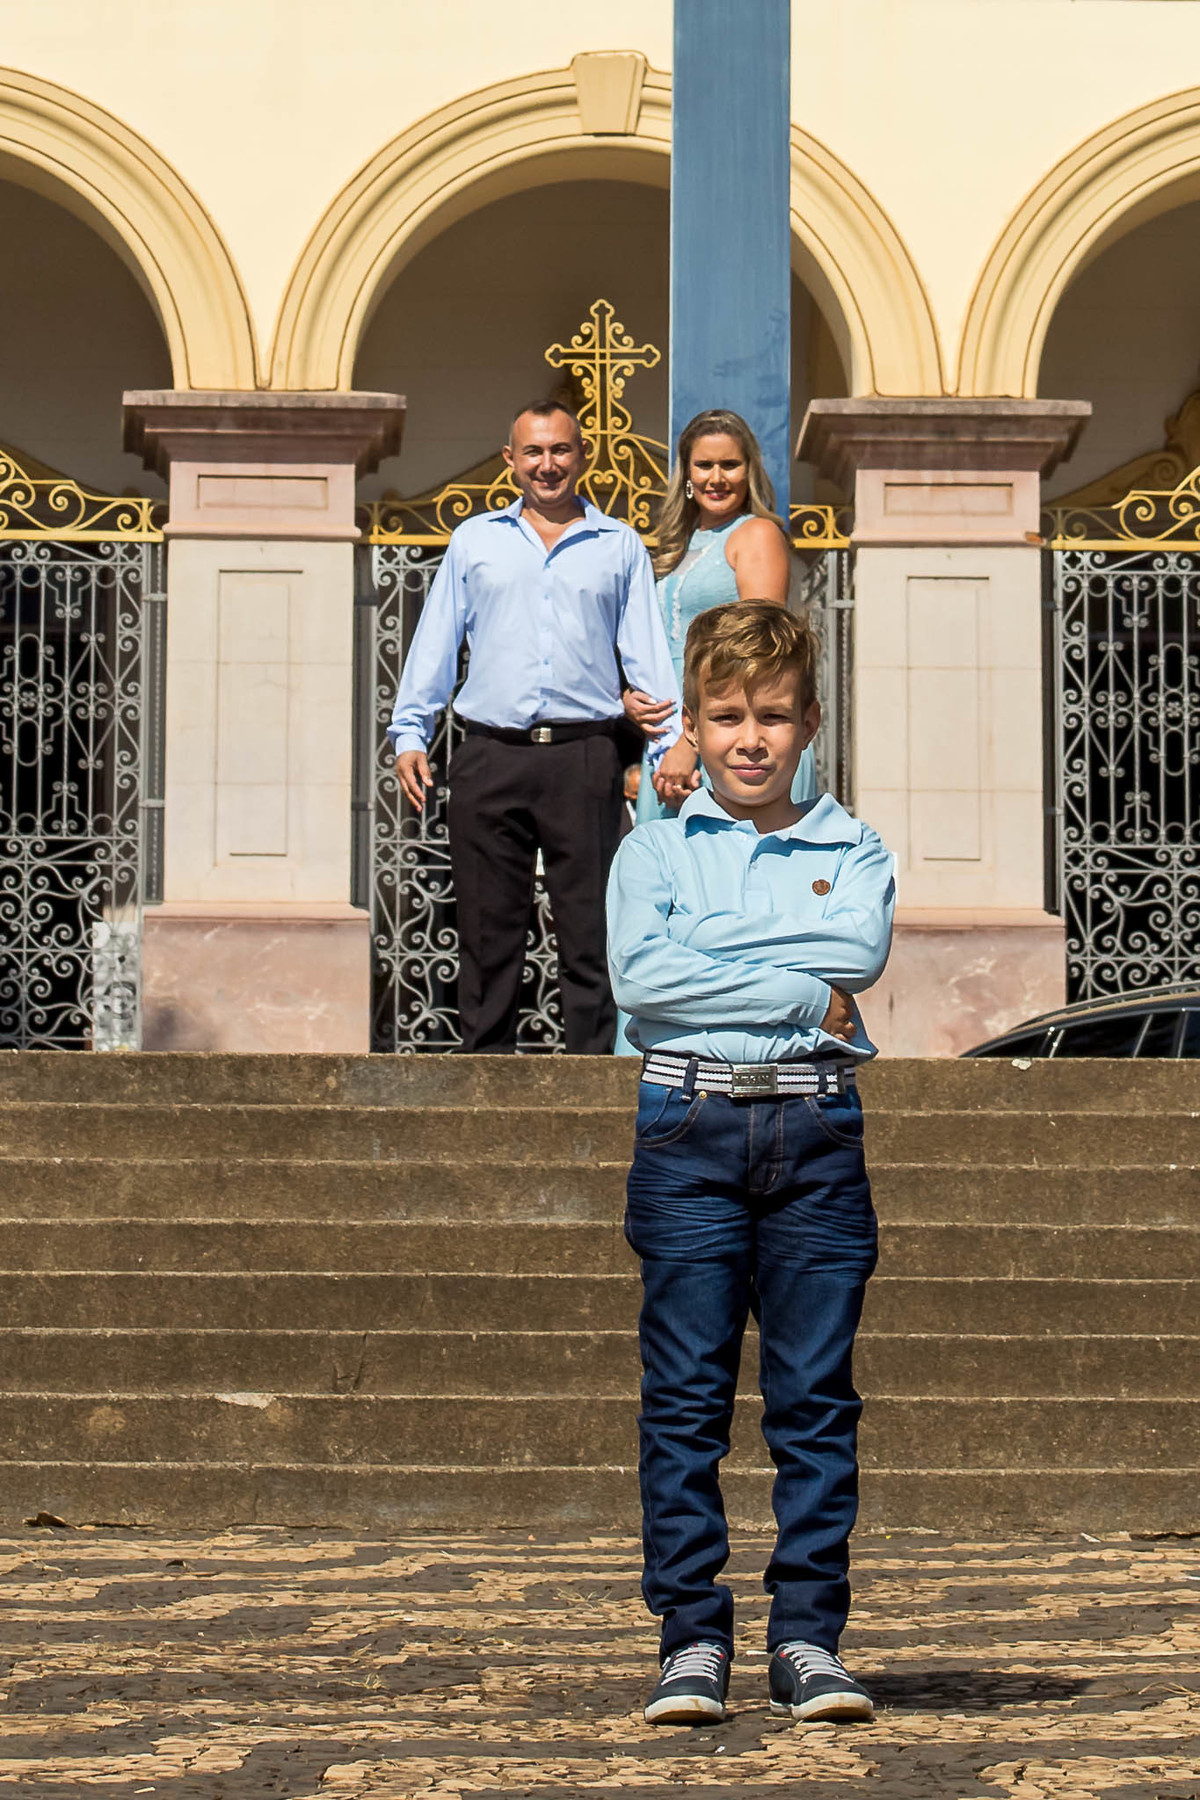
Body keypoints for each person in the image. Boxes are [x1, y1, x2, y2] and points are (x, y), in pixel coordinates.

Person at [606, 601, 895, 1727]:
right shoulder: (654, 848)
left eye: (773, 716)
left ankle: (809, 1638)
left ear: (810, 721)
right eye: (726, 717)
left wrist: (708, 949)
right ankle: (691, 1639)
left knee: (814, 1400)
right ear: (695, 724)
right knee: (685, 1400)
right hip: (689, 1127)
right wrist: (799, 991)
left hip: (817, 1132)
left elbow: (856, 949)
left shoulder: (853, 847)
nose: (750, 739)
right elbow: (641, 979)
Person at [389, 402, 680, 1054]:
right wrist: (411, 732)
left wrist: (667, 749)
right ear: (511, 460)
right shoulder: (474, 541)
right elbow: (435, 643)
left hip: (584, 758)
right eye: (534, 452)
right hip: (490, 756)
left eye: (560, 450)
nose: (547, 464)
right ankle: (485, 1079)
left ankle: (590, 1082)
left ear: (582, 455)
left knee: (590, 933)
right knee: (487, 933)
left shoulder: (619, 546)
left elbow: (647, 657)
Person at [627, 408, 817, 821]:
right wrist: (633, 696)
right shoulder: (680, 544)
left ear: (749, 471)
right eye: (704, 465)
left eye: (729, 464)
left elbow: (761, 653)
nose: (716, 478)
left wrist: (690, 743)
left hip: (732, 732)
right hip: (673, 733)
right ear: (687, 474)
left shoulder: (756, 534)